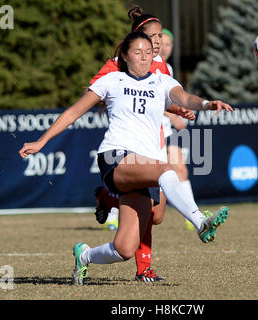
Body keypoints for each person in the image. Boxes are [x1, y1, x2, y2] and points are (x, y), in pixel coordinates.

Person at [18, 31, 233, 285]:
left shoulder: (162, 81)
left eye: (148, 52)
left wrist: (207, 104)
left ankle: (84, 255)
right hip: (115, 157)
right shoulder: (112, 81)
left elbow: (185, 98)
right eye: (137, 52)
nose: (144, 57)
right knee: (167, 169)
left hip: (144, 167)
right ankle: (200, 222)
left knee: (124, 249)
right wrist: (42, 141)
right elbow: (74, 112)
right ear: (124, 55)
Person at [90, 6, 194, 282]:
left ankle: (108, 198)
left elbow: (163, 99)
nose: (158, 41)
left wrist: (177, 110)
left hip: (155, 141)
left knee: (157, 216)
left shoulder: (165, 67)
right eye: (152, 36)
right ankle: (144, 268)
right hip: (130, 146)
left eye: (160, 36)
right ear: (138, 41)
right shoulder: (120, 64)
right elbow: (102, 90)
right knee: (153, 201)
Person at [159, 28, 198, 230]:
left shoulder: (169, 69)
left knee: (180, 169)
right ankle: (112, 212)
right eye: (161, 42)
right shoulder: (147, 67)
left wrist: (176, 114)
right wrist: (173, 115)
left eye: (168, 44)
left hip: (166, 131)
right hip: (148, 132)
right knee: (138, 179)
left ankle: (193, 215)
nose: (164, 48)